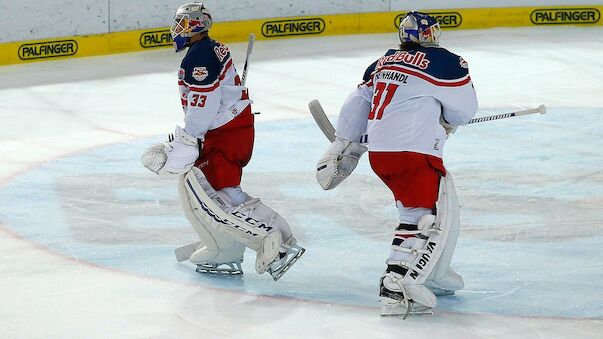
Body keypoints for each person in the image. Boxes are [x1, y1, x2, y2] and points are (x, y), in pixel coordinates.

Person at [315, 11, 478, 316]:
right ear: (430, 35)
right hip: (413, 153)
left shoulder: (381, 62)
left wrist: (344, 144)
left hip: (381, 155)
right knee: (423, 218)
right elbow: (465, 112)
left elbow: (357, 103)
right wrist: (445, 119)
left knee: (422, 210)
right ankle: (397, 287)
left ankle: (428, 272)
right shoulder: (443, 62)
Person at [141, 2, 304, 281]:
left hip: (226, 131)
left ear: (194, 25)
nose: (176, 29)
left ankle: (272, 240)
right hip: (230, 128)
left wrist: (189, 138)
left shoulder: (200, 54)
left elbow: (205, 104)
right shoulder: (206, 48)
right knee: (213, 188)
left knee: (216, 194)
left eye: (181, 23)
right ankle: (227, 246)